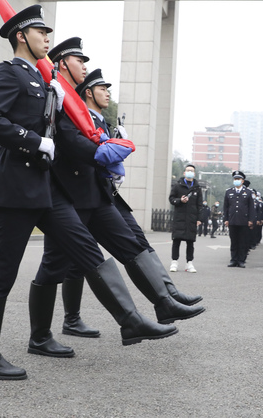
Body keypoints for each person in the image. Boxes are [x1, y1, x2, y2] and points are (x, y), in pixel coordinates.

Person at [0, 8, 175, 381]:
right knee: (1, 273)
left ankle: (129, 321)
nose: (47, 38)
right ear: (21, 36)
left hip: (47, 187)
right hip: (16, 187)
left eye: (48, 33)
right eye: (40, 32)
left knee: (86, 250)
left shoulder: (45, 80)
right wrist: (34, 142)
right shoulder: (8, 73)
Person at [29, 45, 204, 358]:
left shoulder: (69, 98)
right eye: (79, 60)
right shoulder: (59, 96)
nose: (84, 64)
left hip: (95, 195)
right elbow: (69, 140)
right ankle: (41, 336)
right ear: (62, 64)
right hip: (68, 197)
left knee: (130, 245)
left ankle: (161, 303)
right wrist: (104, 149)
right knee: (55, 268)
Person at [169, 164, 203, 273]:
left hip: (191, 218)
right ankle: (174, 262)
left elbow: (200, 205)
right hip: (179, 217)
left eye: (191, 171)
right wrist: (180, 200)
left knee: (190, 242)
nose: (189, 172)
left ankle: (189, 263)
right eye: (188, 170)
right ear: (184, 173)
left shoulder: (197, 188)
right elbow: (171, 198)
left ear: (194, 173)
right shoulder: (177, 185)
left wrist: (199, 218)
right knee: (176, 240)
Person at [224, 170, 256, 268]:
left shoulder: (248, 192)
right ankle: (233, 259)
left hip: (244, 221)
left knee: (243, 241)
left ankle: (241, 260)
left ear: (242, 181)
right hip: (232, 220)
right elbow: (226, 207)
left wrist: (251, 220)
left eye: (238, 179)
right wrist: (226, 219)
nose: (236, 180)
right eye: (235, 179)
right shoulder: (229, 192)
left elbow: (251, 208)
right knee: (234, 241)